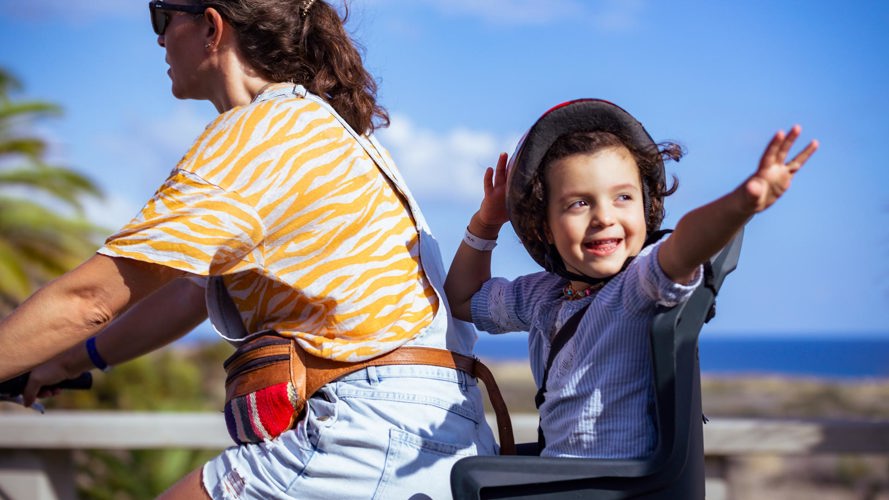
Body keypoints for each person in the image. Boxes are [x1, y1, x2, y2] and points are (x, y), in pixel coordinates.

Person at [0, 0, 497, 498]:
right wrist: (65, 363)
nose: (158, 39)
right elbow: (188, 295)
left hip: (365, 434)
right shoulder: (319, 128)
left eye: (162, 17)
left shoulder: (255, 138)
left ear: (212, 26)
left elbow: (88, 300)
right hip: (447, 432)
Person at [445, 99, 818, 458]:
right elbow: (462, 300)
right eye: (579, 203)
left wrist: (742, 203)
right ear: (544, 227)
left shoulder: (638, 286)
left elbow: (684, 246)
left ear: (647, 205)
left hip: (607, 487)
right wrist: (486, 224)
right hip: (560, 480)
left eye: (622, 197)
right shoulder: (544, 295)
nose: (604, 216)